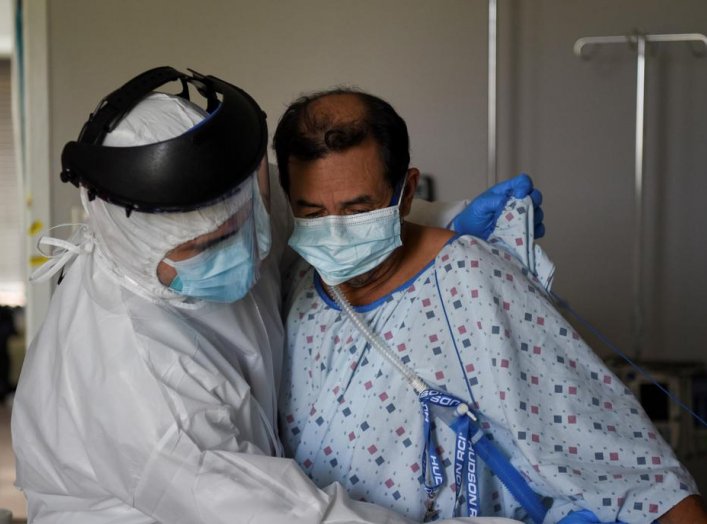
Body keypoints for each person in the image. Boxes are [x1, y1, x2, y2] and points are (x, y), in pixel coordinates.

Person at [11, 66, 528, 524]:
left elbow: (326, 211)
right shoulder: (140, 388)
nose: (243, 248)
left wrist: (446, 218)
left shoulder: (236, 199)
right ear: (136, 246)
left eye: (243, 221)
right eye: (206, 246)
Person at [273, 88, 706, 523]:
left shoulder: (470, 279)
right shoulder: (297, 283)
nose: (334, 236)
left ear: (405, 194)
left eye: (356, 211)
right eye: (312, 215)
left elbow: (637, 479)